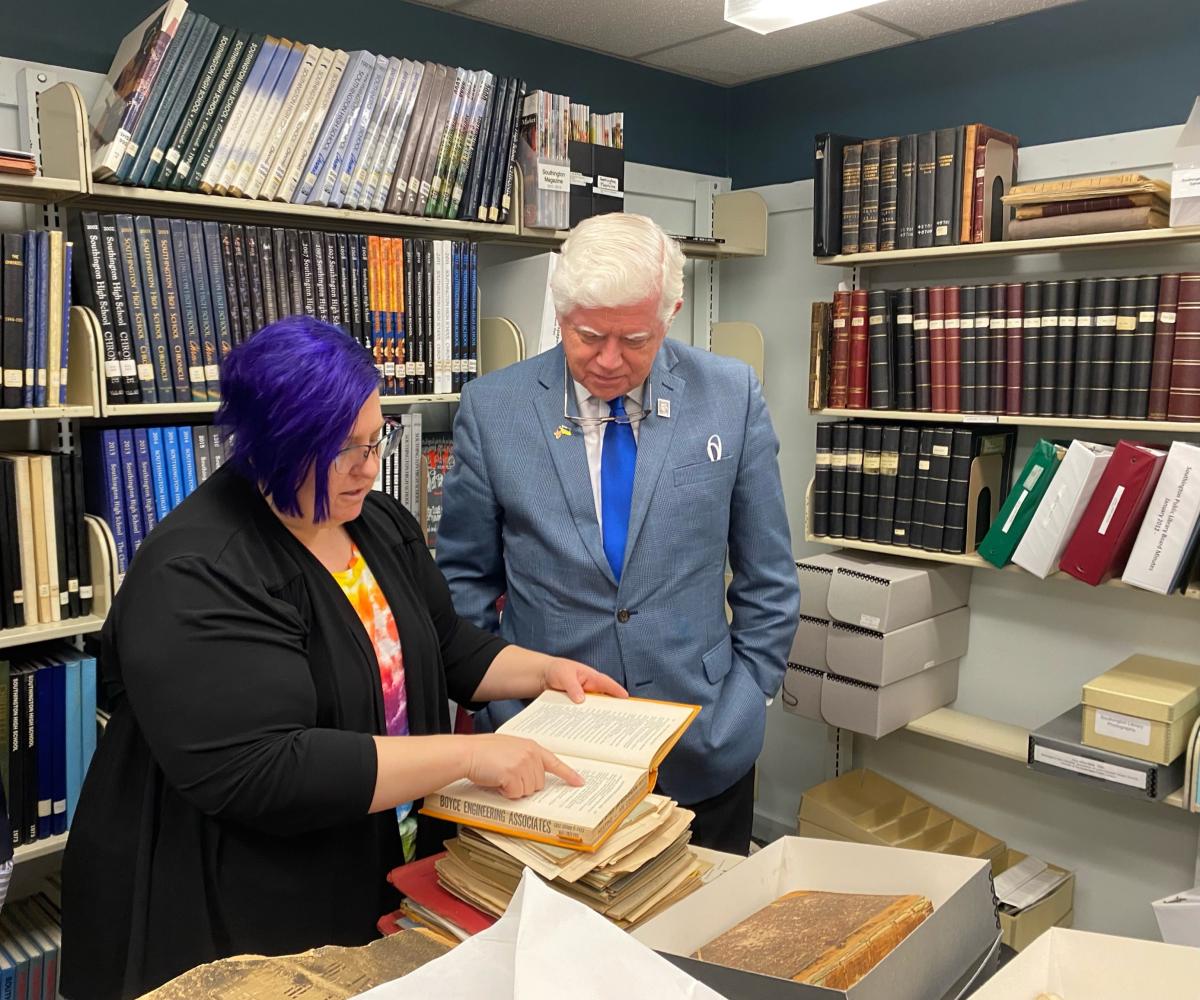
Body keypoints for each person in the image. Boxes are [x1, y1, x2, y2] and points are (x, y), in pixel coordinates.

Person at [60, 316, 624, 1000]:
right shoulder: (197, 570)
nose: (369, 465)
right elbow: (264, 770)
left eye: (375, 438)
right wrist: (468, 758)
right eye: (343, 449)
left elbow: (445, 648)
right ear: (273, 446)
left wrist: (544, 672)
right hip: (238, 904)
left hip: (373, 860)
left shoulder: (375, 523)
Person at [437, 213, 800, 855]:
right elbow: (462, 581)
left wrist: (745, 699)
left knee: (691, 946)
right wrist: (503, 710)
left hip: (702, 746)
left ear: (672, 313)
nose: (609, 361)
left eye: (635, 338)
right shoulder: (493, 409)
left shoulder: (729, 395)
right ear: (559, 310)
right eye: (588, 336)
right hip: (546, 751)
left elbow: (768, 575)